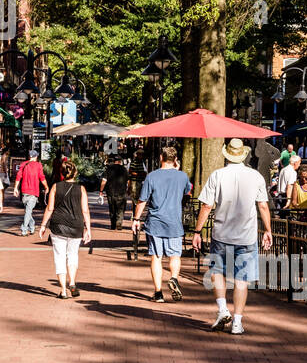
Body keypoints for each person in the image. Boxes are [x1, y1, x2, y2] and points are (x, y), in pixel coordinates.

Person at [192, 137, 273, 336]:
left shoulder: (217, 175)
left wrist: (197, 231)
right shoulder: (256, 177)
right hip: (246, 236)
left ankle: (222, 310)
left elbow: (206, 205)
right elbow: (263, 205)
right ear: (243, 154)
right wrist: (268, 230)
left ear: (226, 154)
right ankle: (237, 321)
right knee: (241, 280)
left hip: (221, 234)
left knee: (217, 272)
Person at [131, 145, 190, 302]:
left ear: (161, 158)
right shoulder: (182, 176)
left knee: (156, 257)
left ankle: (158, 293)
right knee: (175, 255)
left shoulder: (152, 176)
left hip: (155, 223)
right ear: (175, 160)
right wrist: (177, 171)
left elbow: (142, 200)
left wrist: (136, 219)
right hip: (174, 223)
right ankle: (174, 278)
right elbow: (187, 192)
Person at [39, 157, 91, 297]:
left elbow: (49, 208)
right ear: (75, 173)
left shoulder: (56, 187)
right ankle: (72, 282)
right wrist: (88, 229)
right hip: (76, 226)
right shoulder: (81, 189)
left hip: (58, 226)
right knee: (72, 255)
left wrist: (43, 225)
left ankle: (63, 290)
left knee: (59, 257)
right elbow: (85, 210)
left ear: (62, 173)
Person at [13, 152, 48, 235]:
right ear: (36, 156)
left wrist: (15, 188)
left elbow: (18, 177)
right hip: (34, 191)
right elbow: (42, 177)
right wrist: (46, 187)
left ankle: (30, 227)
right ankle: (25, 228)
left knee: (28, 211)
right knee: (28, 211)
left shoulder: (23, 164)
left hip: (24, 191)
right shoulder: (38, 165)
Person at [100, 155, 129, 230]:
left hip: (111, 192)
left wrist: (101, 191)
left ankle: (113, 224)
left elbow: (104, 181)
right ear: (120, 161)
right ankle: (119, 223)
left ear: (114, 161)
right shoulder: (124, 169)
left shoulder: (108, 169)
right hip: (122, 192)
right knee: (121, 208)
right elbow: (128, 181)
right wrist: (129, 189)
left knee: (112, 208)